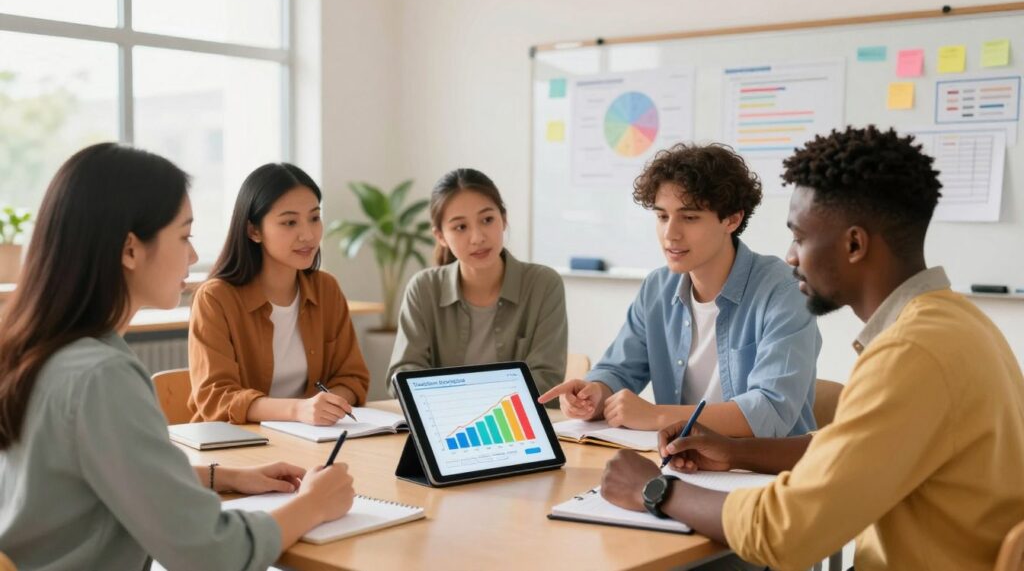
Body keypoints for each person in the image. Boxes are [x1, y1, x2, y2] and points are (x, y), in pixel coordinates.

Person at [599, 126, 1024, 571]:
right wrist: (736, 451)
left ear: (854, 244)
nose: (791, 257)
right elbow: (849, 449)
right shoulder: (958, 323)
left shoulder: (910, 354)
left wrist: (658, 491)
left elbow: (785, 533)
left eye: (800, 237)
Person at [0, 144, 355, 570]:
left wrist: (221, 477)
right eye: (184, 236)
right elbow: (211, 554)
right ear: (130, 250)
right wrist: (313, 505)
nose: (191, 256)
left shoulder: (47, 351)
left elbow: (104, 475)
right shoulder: (102, 376)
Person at [539, 143, 819, 436]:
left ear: (732, 220)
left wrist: (658, 416)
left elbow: (770, 411)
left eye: (689, 217)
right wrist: (594, 393)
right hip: (683, 465)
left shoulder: (785, 290)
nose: (670, 234)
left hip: (767, 472)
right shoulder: (657, 289)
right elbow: (619, 371)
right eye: (662, 217)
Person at [188, 163, 370, 424]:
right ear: (254, 231)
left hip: (314, 438)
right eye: (289, 222)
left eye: (314, 218)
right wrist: (299, 411)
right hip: (237, 444)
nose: (307, 234)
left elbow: (353, 378)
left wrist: (326, 407)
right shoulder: (216, 298)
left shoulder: (326, 289)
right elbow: (216, 398)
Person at [388, 168, 568, 395]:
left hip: (517, 425)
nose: (478, 237)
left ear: (503, 219)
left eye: (487, 220)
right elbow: (403, 374)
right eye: (460, 227)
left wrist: (457, 398)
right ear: (440, 236)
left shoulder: (543, 284)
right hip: (445, 425)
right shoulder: (424, 288)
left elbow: (546, 379)